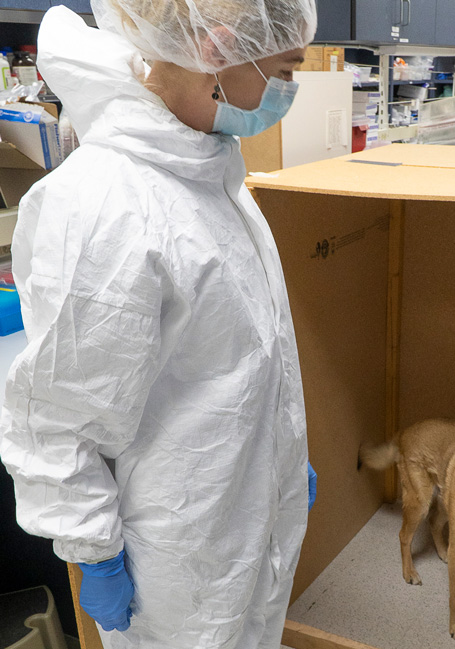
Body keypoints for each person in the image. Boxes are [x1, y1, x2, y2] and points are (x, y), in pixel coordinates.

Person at [0, 1, 317, 648]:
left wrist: (283, 451)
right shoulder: (107, 206)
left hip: (241, 511)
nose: (290, 89)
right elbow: (60, 420)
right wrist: (95, 552)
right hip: (177, 560)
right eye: (286, 68)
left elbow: (244, 352)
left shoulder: (209, 168)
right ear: (220, 54)